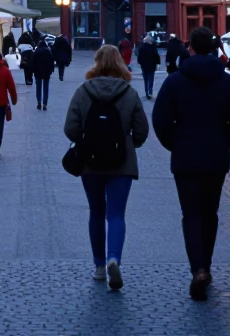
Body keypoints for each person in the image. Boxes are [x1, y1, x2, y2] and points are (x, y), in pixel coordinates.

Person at [152, 26, 230, 302]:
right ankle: (206, 265)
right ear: (213, 48)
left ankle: (198, 269)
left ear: (190, 47)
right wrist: (226, 141)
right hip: (216, 158)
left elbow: (160, 120)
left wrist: (175, 142)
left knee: (191, 215)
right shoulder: (228, 82)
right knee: (211, 213)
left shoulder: (175, 81)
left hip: (185, 158)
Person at [64, 46, 148, 291]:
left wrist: (85, 137)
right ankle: (114, 258)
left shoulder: (83, 91)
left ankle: (99, 266)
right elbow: (141, 130)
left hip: (90, 161)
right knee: (117, 214)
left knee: (96, 212)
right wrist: (130, 143)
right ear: (120, 63)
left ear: (96, 62)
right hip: (121, 162)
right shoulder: (129, 93)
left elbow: (70, 128)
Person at [32, 37, 54, 110]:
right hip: (46, 72)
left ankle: (39, 102)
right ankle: (45, 104)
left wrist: (33, 71)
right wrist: (51, 70)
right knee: (46, 87)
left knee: (38, 87)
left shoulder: (36, 51)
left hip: (38, 72)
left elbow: (33, 62)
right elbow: (52, 62)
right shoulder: (48, 51)